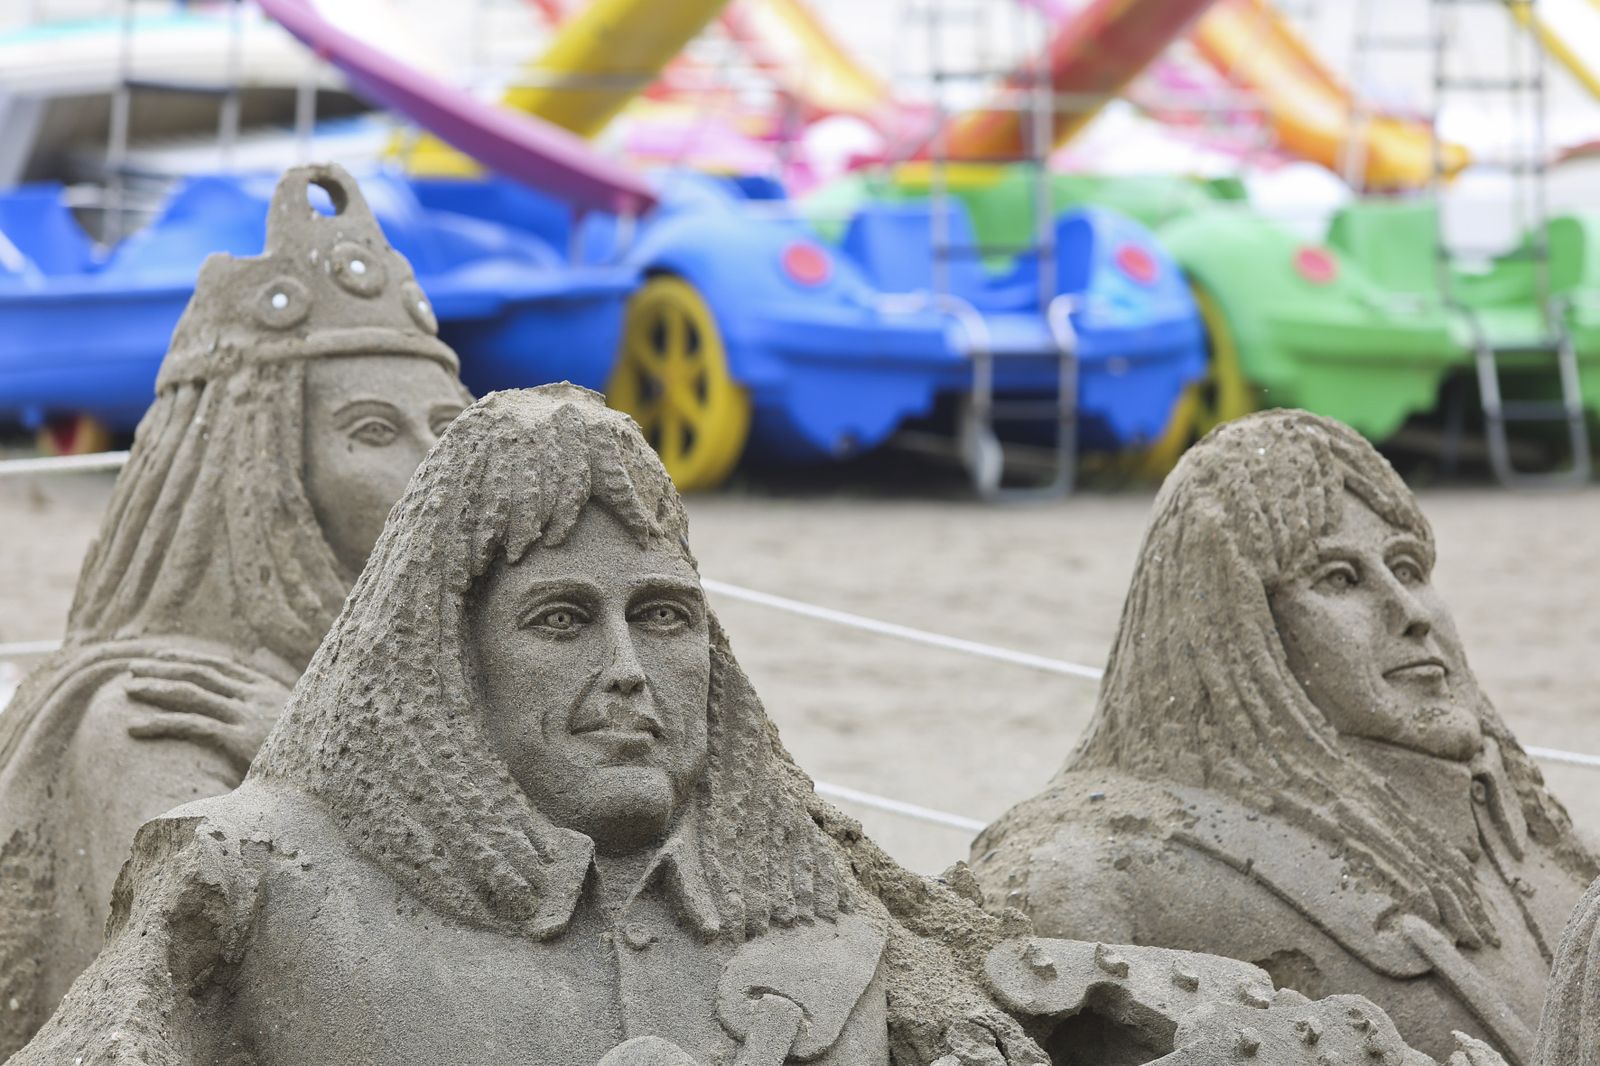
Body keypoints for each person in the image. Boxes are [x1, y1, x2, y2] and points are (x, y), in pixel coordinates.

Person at [9, 386, 1045, 1066]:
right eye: (560, 620)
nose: (628, 670)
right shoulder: (258, 882)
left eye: (664, 616)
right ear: (451, 661)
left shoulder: (816, 895)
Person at [0, 162, 471, 1056]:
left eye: (450, 432)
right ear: (260, 473)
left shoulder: (484, 678)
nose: (439, 469)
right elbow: (278, 989)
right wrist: (316, 771)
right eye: (374, 432)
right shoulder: (159, 717)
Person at [970, 410, 1596, 1066]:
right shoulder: (1088, 876)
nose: (1409, 612)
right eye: (1339, 579)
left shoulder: (1561, 854)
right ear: (1238, 630)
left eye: (1409, 569)